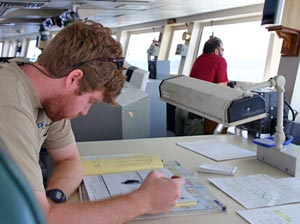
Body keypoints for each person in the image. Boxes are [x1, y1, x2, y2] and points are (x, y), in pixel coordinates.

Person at [0, 20, 185, 224]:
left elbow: (70, 160)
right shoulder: (8, 102)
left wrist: (54, 198)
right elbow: (40, 219)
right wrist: (143, 201)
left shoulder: (49, 99)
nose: (85, 111)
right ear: (73, 78)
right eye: (90, 100)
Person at [175, 36, 228, 136]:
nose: (223, 51)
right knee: (192, 145)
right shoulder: (220, 61)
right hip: (194, 111)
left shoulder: (199, 59)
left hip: (181, 107)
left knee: (178, 141)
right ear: (216, 50)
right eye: (222, 49)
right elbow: (222, 86)